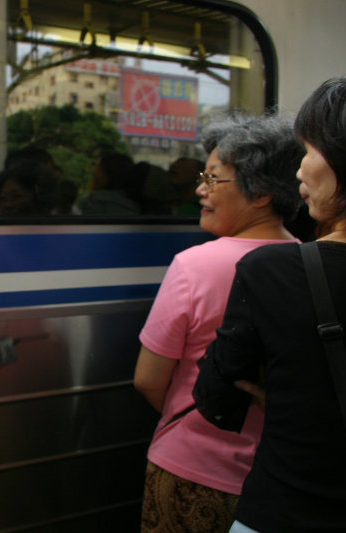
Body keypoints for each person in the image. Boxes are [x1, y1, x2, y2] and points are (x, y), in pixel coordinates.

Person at [195, 64, 346, 532]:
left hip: (286, 511)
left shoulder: (274, 270)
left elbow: (216, 398)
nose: (298, 168)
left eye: (310, 150)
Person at [132, 114, 304, 533]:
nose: (200, 190)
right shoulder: (311, 263)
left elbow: (148, 379)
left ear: (261, 193)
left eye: (212, 178)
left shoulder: (193, 266)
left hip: (192, 469)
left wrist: (204, 426)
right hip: (277, 477)